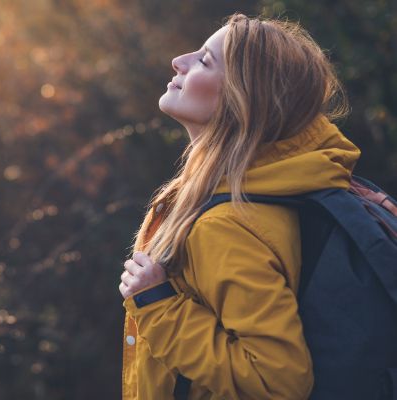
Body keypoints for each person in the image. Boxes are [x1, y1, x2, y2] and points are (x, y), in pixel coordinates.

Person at [118, 12, 361, 400]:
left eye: (204, 61)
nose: (179, 60)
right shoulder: (284, 186)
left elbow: (278, 380)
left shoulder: (227, 225)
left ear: (241, 101)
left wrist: (158, 306)